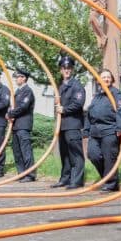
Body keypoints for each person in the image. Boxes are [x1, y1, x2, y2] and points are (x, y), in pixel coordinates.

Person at [84, 68, 121, 192]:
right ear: (98, 81)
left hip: (110, 130)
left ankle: (111, 183)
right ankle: (107, 178)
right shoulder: (96, 96)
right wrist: (86, 129)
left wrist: (120, 127)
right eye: (103, 77)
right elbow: (89, 113)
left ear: (112, 79)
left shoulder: (117, 94)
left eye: (108, 77)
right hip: (95, 131)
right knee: (93, 155)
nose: (106, 79)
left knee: (109, 158)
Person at [51, 55, 86, 189]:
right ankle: (65, 178)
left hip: (72, 124)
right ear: (61, 70)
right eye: (64, 68)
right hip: (63, 125)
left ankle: (77, 180)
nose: (67, 70)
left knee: (75, 154)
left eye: (69, 68)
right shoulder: (61, 86)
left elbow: (78, 103)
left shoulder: (76, 85)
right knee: (64, 153)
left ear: (72, 70)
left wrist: (64, 109)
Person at [7, 68, 36, 182]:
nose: (16, 79)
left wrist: (10, 114)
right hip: (16, 125)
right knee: (17, 151)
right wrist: (10, 113)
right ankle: (21, 173)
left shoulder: (27, 91)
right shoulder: (18, 92)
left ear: (24, 78)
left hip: (23, 125)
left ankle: (30, 174)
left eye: (18, 76)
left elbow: (23, 107)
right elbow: (13, 106)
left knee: (26, 150)